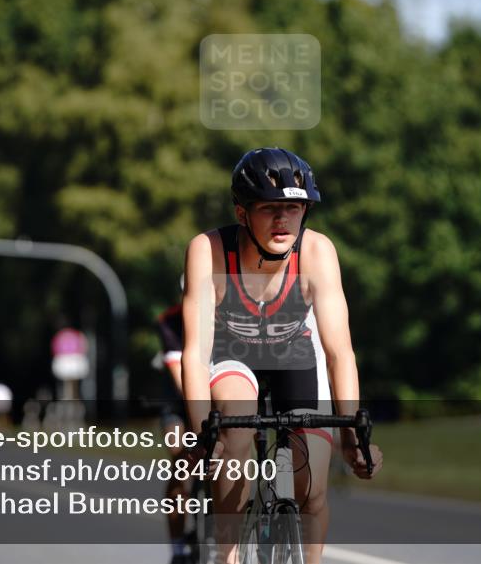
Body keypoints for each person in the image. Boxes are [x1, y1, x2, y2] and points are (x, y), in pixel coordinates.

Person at [181, 147, 383, 564]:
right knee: (235, 425)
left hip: (296, 355)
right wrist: (203, 429)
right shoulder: (209, 250)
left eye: (293, 208)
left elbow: (339, 352)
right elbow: (195, 353)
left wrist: (353, 436)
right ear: (242, 214)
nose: (282, 220)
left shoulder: (317, 252)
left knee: (312, 491)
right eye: (270, 208)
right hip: (230, 353)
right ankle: (228, 554)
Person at [155, 295, 191, 564]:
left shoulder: (229, 315)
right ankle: (178, 547)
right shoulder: (169, 321)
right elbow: (179, 374)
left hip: (217, 396)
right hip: (178, 403)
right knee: (180, 456)